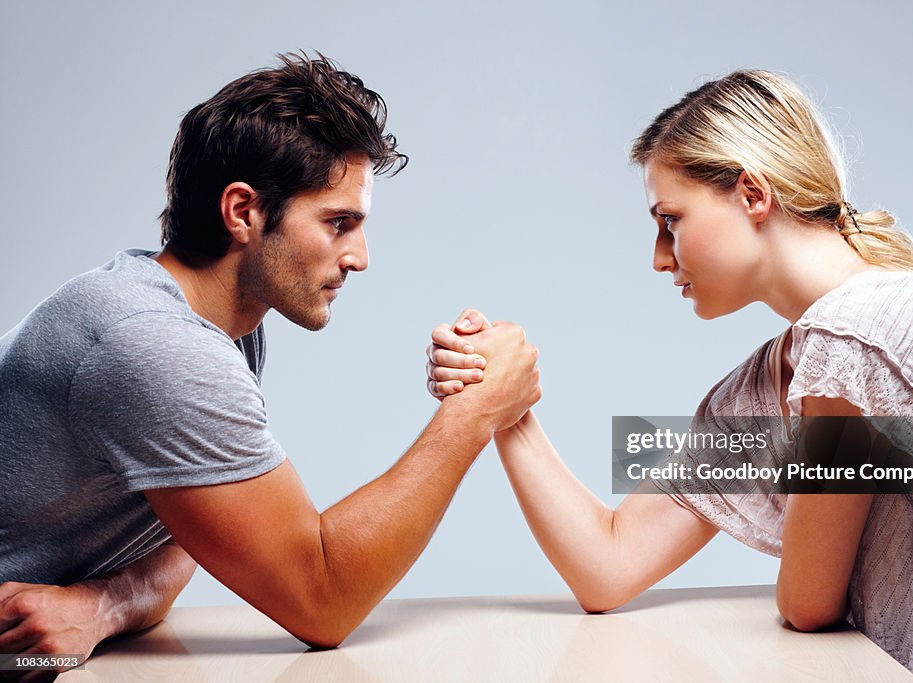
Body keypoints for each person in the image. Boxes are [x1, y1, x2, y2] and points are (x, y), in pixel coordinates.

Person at [426, 70, 913, 682]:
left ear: (752, 194)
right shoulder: (782, 377)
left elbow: (807, 605)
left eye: (671, 220)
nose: (660, 257)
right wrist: (501, 402)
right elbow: (609, 563)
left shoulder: (856, 334)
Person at [0, 52, 541, 671]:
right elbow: (322, 603)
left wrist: (103, 606)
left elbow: (207, 537)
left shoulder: (223, 323)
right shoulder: (154, 346)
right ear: (243, 213)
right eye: (339, 223)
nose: (360, 257)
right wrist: (473, 414)